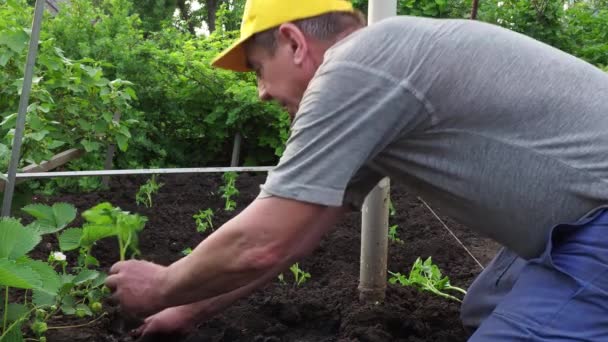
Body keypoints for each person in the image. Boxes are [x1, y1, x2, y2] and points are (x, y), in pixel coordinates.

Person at [105, 0, 608, 340]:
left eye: (259, 69)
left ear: (294, 43)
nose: (261, 92)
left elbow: (264, 241)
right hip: (575, 228)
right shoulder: (380, 81)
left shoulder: (355, 66)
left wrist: (162, 285)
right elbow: (295, 237)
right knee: (483, 309)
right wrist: (188, 310)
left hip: (598, 225)